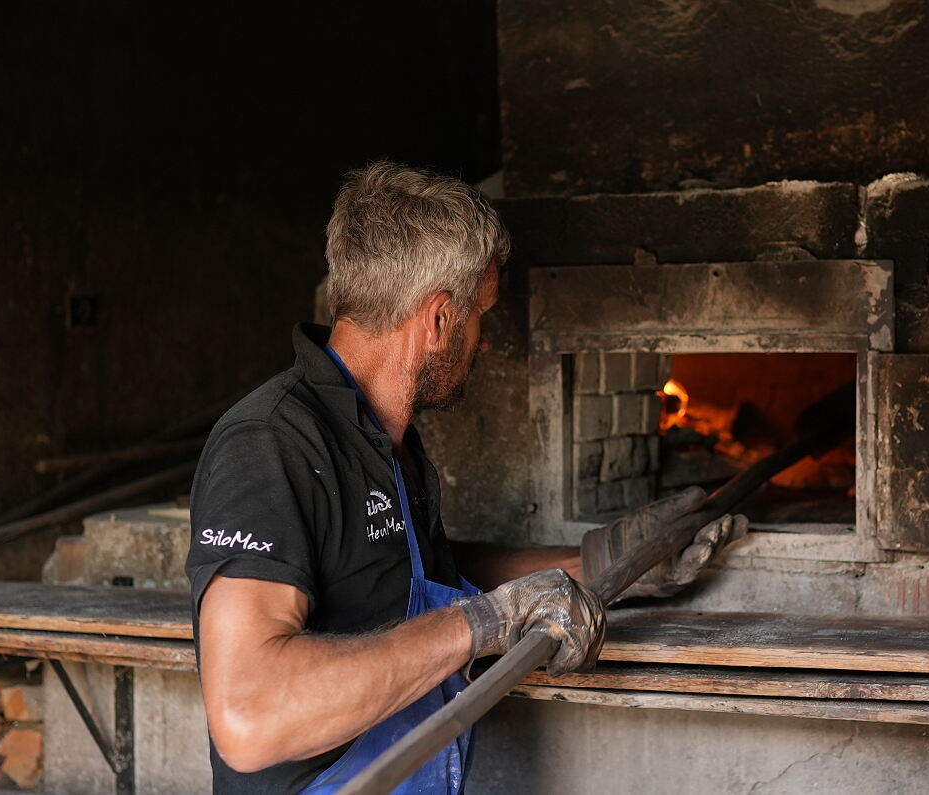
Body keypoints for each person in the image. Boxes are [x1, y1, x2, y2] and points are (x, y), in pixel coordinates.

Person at [184, 162, 747, 794]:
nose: (483, 343)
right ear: (437, 321)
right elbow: (250, 716)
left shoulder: (387, 440)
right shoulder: (270, 445)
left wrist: (604, 561)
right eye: (481, 315)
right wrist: (484, 623)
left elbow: (417, 578)